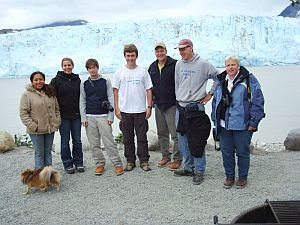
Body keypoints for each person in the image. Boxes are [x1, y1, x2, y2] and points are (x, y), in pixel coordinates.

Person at [211, 56, 265, 189]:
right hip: (224, 125)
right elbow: (215, 102)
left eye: (233, 65)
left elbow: (258, 101)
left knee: (242, 152)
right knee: (226, 152)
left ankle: (242, 177)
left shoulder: (249, 80)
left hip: (243, 124)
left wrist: (254, 122)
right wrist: (215, 119)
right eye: (228, 65)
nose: (231, 67)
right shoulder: (221, 81)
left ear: (238, 66)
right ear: (225, 67)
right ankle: (229, 176)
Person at [173, 39, 219, 185]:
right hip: (181, 108)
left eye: (184, 49)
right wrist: (179, 97)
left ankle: (199, 170)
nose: (181, 52)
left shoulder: (203, 64)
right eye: (179, 50)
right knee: (183, 140)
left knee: (197, 141)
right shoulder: (179, 64)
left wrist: (210, 94)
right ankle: (188, 167)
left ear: (191, 48)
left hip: (196, 107)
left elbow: (219, 78)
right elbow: (177, 82)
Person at [80, 58, 124, 176]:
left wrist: (111, 116)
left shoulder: (105, 81)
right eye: (90, 68)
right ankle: (99, 164)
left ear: (97, 68)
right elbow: (82, 101)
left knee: (109, 141)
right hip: (89, 116)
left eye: (94, 67)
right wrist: (83, 118)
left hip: (103, 116)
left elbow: (111, 98)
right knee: (94, 143)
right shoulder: (84, 83)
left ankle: (117, 164)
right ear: (87, 70)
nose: (92, 69)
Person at [113, 43, 153, 172]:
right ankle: (130, 161)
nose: (130, 58)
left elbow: (148, 90)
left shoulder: (143, 71)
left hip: (140, 110)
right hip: (125, 110)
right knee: (127, 138)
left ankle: (144, 160)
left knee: (142, 137)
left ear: (136, 56)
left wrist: (149, 107)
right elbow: (115, 91)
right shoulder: (120, 72)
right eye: (128, 55)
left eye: (133, 55)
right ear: (125, 56)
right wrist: (117, 108)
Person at [148, 42, 182, 170]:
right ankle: (165, 156)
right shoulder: (152, 67)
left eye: (162, 51)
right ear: (155, 53)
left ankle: (178, 159)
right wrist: (150, 102)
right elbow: (149, 87)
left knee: (175, 134)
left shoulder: (175, 64)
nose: (160, 54)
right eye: (157, 51)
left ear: (166, 51)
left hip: (172, 104)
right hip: (158, 105)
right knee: (162, 133)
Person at [20, 71, 61, 168]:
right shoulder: (27, 95)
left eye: (41, 79)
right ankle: (40, 179)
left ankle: (49, 176)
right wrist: (34, 126)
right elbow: (23, 113)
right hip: (36, 131)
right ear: (32, 81)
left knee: (48, 152)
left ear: (44, 80)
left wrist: (57, 122)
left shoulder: (50, 92)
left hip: (50, 129)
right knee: (39, 154)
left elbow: (56, 109)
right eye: (36, 80)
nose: (39, 82)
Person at [50, 57, 84, 174]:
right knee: (65, 141)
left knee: (77, 140)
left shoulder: (77, 79)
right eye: (65, 65)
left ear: (72, 66)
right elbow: (50, 95)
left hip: (76, 115)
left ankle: (79, 162)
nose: (67, 67)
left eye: (69, 65)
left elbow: (82, 97)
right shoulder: (56, 80)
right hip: (63, 117)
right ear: (62, 67)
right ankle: (68, 164)